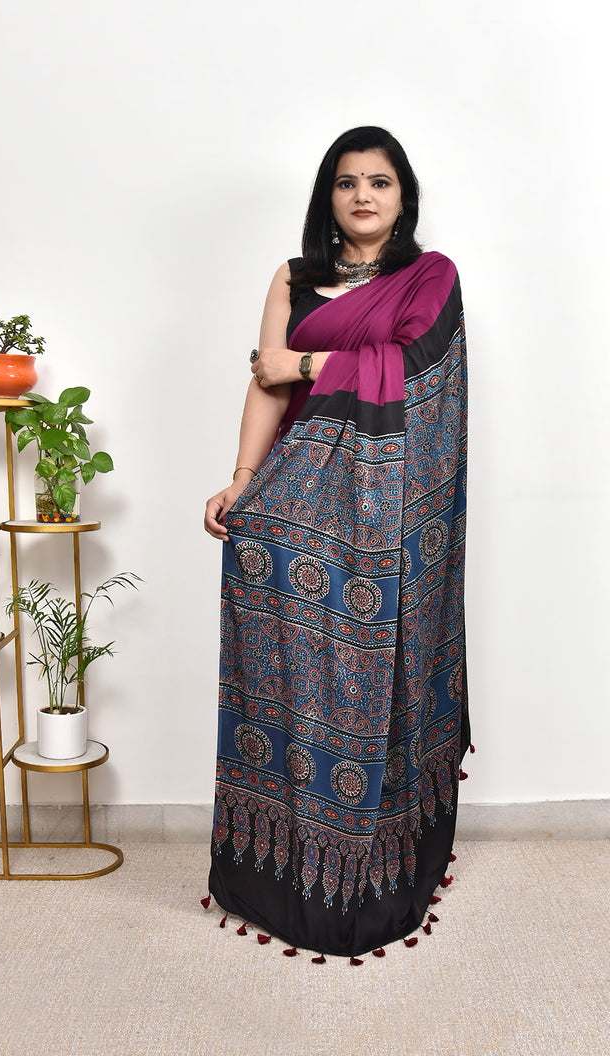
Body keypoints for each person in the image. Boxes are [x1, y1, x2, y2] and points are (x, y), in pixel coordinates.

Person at [203, 126, 470, 959]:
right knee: (287, 676)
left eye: (379, 181)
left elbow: (416, 369)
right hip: (296, 500)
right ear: (329, 196)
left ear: (403, 196)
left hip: (388, 508)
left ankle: (372, 871)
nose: (363, 195)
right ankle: (281, 871)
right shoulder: (294, 277)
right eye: (348, 181)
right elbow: (264, 379)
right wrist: (243, 480)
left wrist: (310, 364)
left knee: (372, 671)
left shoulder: (430, 277)